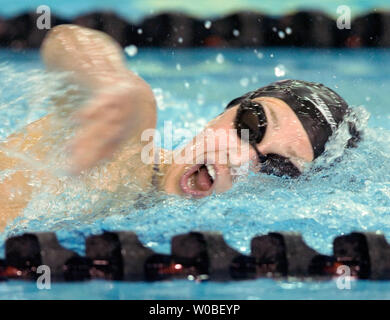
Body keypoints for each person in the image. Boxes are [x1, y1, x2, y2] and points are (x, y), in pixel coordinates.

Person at [0, 25, 359, 229]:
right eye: (253, 123)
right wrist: (113, 83)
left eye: (279, 167)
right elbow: (68, 41)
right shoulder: (125, 138)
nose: (240, 158)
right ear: (220, 115)